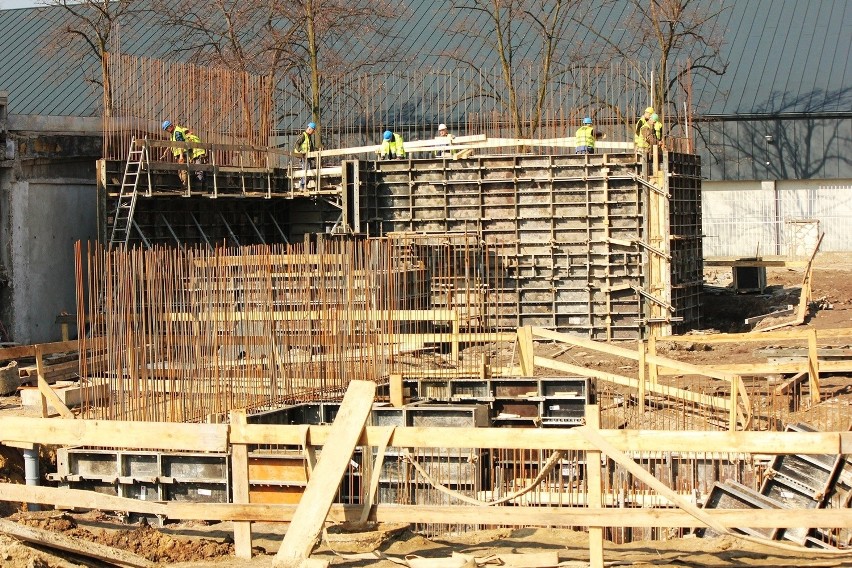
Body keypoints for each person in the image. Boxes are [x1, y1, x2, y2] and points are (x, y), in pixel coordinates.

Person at [161, 120, 207, 187]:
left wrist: (181, 156)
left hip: (184, 153)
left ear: (170, 126)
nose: (167, 131)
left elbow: (181, 144)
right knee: (183, 169)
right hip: (185, 154)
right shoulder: (174, 133)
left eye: (166, 129)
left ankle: (187, 186)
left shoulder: (177, 132)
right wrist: (166, 152)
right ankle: (187, 185)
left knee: (186, 170)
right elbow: (173, 143)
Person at [293, 122, 317, 188]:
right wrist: (301, 151)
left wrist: (313, 157)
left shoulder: (309, 137)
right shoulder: (303, 135)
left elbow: (310, 148)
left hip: (307, 157)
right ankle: (302, 185)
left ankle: (303, 185)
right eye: (313, 130)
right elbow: (297, 144)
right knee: (306, 170)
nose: (313, 132)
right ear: (310, 129)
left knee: (308, 171)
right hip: (303, 156)